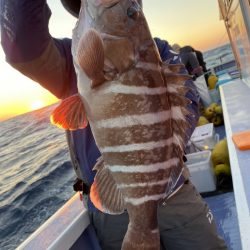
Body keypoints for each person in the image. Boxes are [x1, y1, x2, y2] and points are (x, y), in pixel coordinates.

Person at [0, 0, 227, 249]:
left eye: (132, 11)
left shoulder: (158, 50)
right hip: (114, 205)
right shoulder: (66, 60)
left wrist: (151, 160)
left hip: (174, 190)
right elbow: (21, 43)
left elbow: (189, 102)